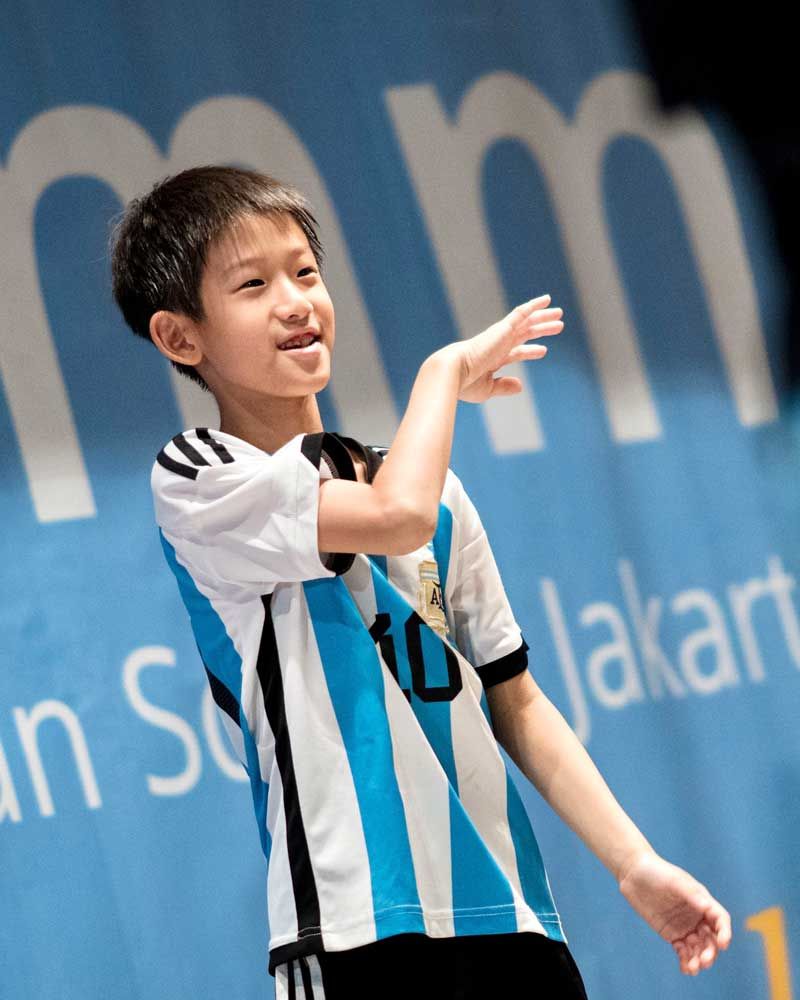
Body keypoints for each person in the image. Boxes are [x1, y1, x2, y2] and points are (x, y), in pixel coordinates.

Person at [110, 165, 731, 999]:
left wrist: (637, 864)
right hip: (355, 929)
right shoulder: (199, 475)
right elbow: (395, 517)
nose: (296, 300)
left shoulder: (431, 488)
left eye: (305, 271)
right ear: (183, 339)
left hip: (507, 915)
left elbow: (516, 700)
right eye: (253, 285)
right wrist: (443, 373)